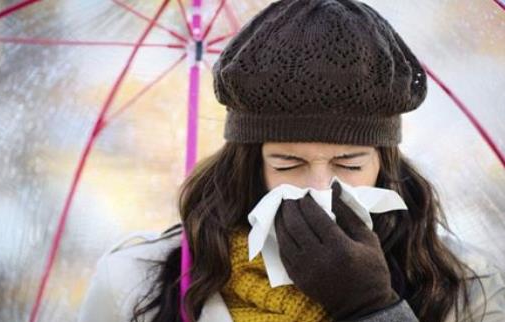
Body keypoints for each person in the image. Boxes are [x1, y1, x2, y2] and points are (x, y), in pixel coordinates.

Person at [77, 0, 505, 321]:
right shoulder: (136, 283)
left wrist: (374, 308)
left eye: (349, 164)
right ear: (248, 165)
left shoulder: (467, 287)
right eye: (287, 164)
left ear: (384, 165)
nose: (319, 188)